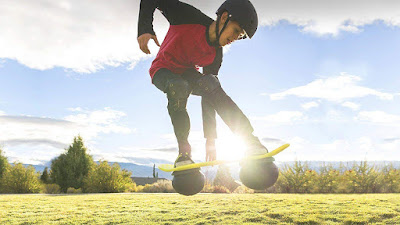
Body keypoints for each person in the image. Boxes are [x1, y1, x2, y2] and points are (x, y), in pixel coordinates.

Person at [137, 0, 268, 168]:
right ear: (224, 18)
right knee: (178, 86)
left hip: (186, 72)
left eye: (240, 36)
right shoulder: (188, 16)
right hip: (162, 70)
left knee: (210, 83)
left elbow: (211, 96)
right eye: (235, 30)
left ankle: (250, 141)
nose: (235, 38)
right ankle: (184, 153)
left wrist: (211, 138)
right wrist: (145, 28)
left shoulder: (216, 55)